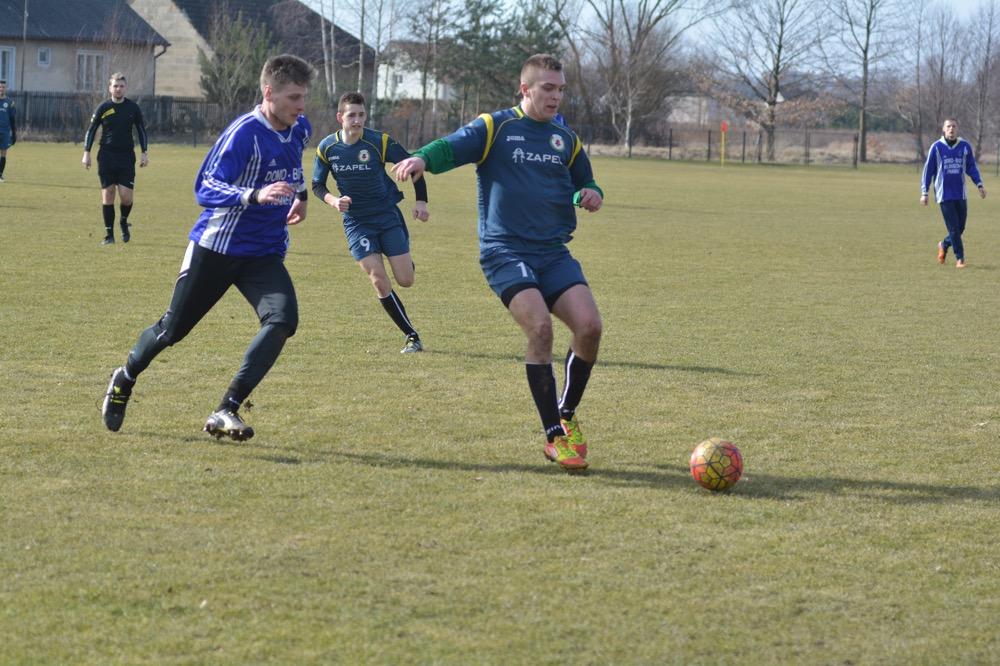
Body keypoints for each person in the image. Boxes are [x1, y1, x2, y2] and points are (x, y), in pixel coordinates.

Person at [394, 54, 604, 472]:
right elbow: (452, 146)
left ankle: (566, 413)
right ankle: (553, 436)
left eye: (561, 89)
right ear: (525, 89)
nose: (556, 97)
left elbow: (585, 179)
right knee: (540, 328)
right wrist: (422, 159)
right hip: (505, 251)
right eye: (548, 88)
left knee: (590, 327)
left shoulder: (565, 138)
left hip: (553, 252)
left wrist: (592, 192)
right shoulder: (496, 127)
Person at [102, 54, 315, 441]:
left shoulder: (299, 127)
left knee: (283, 320)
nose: (302, 106)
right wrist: (254, 195)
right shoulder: (244, 134)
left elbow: (293, 164)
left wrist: (300, 196)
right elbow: (205, 187)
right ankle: (124, 377)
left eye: (304, 97)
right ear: (269, 93)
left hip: (263, 253)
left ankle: (226, 409)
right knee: (172, 330)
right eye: (294, 97)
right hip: (217, 248)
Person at [312, 91, 430, 353]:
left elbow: (413, 166)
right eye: (351, 115)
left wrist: (421, 201)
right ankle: (411, 335)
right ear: (340, 117)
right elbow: (317, 184)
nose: (357, 120)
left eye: (361, 115)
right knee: (378, 279)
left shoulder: (380, 142)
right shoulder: (327, 148)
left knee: (406, 280)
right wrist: (334, 201)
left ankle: (404, 260)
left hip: (387, 216)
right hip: (357, 223)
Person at [82, 73, 149, 245]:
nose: (118, 89)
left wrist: (144, 152)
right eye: (115, 86)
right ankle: (109, 235)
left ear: (125, 88)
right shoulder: (103, 107)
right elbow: (91, 130)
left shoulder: (133, 108)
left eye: (121, 86)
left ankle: (123, 221)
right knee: (108, 194)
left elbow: (141, 130)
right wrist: (86, 152)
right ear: (110, 88)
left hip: (126, 157)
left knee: (126, 198)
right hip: (106, 156)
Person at [921, 118, 986, 269]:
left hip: (960, 194)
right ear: (944, 129)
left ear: (957, 129)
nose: (951, 129)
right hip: (944, 195)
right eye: (948, 126)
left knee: (960, 228)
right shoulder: (936, 147)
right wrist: (924, 192)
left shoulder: (964, 146)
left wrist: (979, 184)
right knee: (954, 229)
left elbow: (971, 167)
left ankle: (944, 244)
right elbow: (928, 170)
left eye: (954, 126)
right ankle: (960, 258)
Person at [0, 79, 15, 182]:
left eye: (3, 87)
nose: (1, 89)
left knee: (3, 153)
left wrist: (14, 133)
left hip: (5, 132)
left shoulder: (10, 102)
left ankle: (0, 175)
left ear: (6, 89)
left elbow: (12, 119)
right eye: (0, 87)